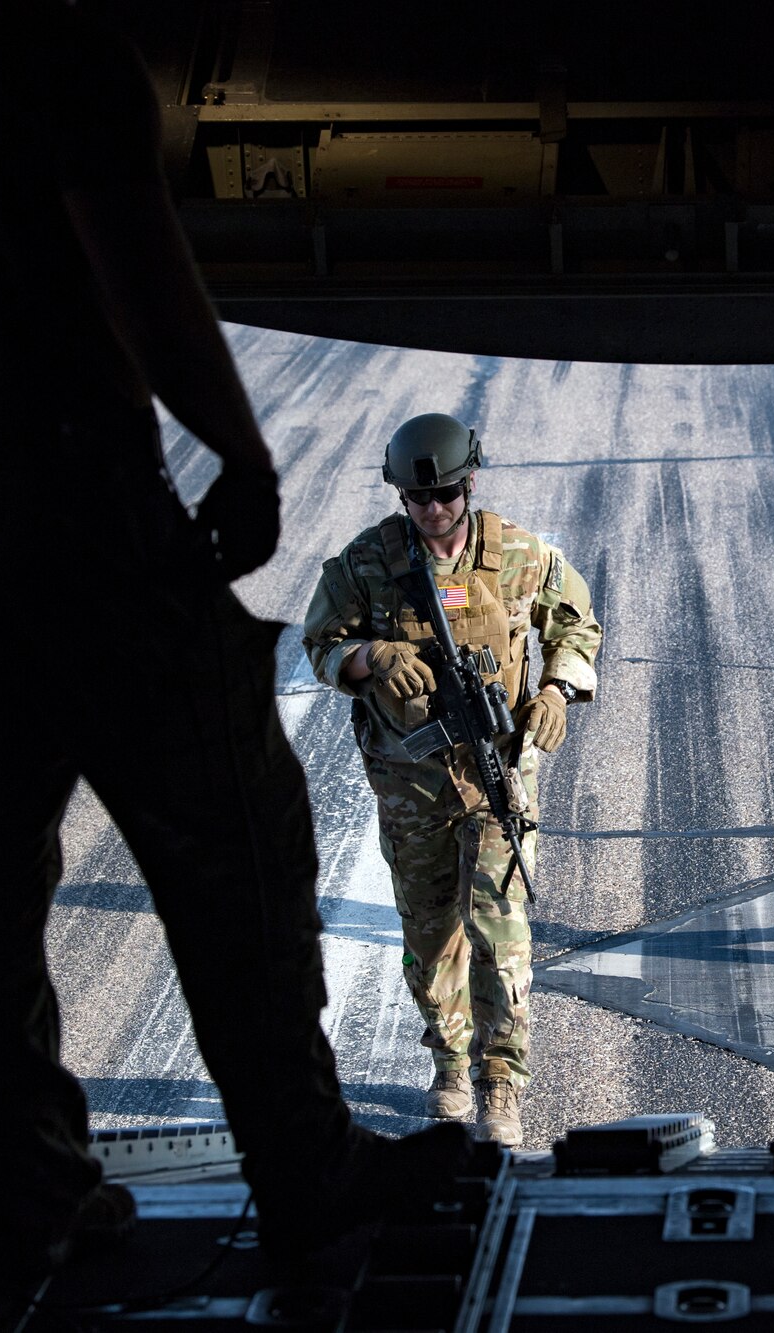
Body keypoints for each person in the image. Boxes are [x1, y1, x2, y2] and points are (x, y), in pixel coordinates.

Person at [0, 0, 468, 1288]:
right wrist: (240, 450)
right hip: (84, 507)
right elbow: (143, 276)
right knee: (238, 833)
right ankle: (307, 1172)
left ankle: (31, 1184)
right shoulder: (60, 59)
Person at [303, 414, 601, 1147]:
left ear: (469, 483)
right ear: (401, 495)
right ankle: (450, 1063)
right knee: (431, 935)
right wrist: (370, 656)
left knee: (500, 933)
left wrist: (557, 689)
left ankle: (501, 1076)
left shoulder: (520, 555)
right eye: (418, 498)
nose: (433, 509)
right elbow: (321, 643)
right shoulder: (364, 565)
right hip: (411, 786)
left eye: (445, 495)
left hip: (499, 777)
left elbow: (576, 624)